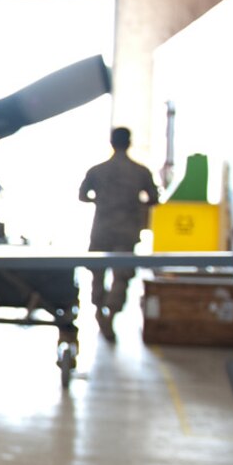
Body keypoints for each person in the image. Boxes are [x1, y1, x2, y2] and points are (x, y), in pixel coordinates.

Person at [78, 126, 158, 340]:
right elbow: (153, 198)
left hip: (102, 227)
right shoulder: (140, 171)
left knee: (97, 272)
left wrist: (101, 200)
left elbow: (82, 196)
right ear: (129, 142)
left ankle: (98, 310)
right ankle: (110, 314)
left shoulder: (98, 170)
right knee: (121, 276)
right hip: (127, 228)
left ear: (111, 142)